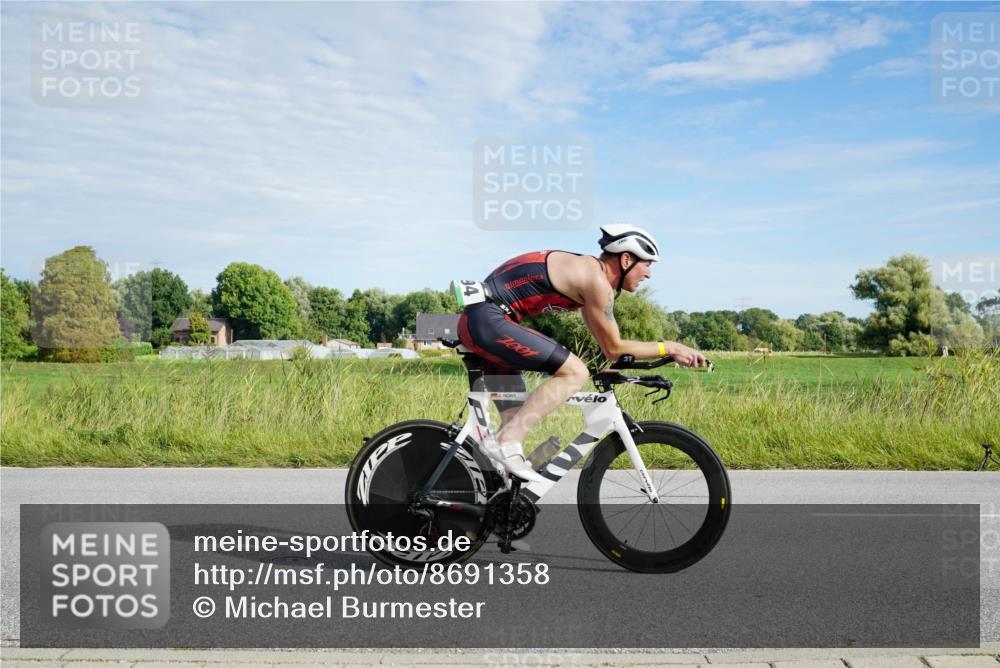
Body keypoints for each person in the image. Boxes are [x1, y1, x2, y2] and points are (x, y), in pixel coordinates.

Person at [457, 224, 708, 483]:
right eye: (647, 264)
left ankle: (495, 502)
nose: (649, 274)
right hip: (488, 320)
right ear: (626, 259)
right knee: (574, 373)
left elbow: (608, 349)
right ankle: (506, 442)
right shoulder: (595, 281)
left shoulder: (589, 278)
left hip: (486, 321)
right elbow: (615, 348)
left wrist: (651, 357)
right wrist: (671, 347)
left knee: (513, 420)